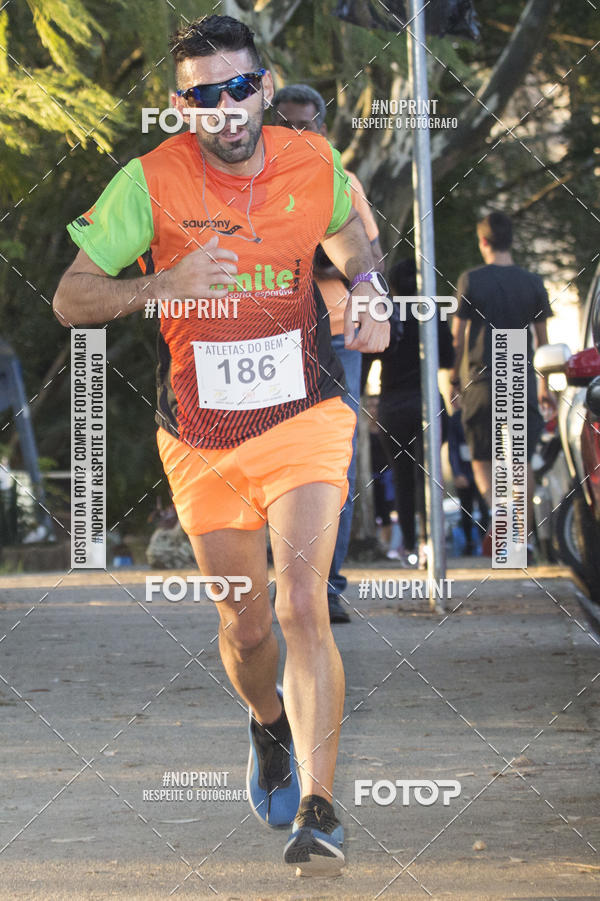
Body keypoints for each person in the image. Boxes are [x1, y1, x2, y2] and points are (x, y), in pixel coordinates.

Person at [52, 15, 390, 876]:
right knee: (244, 626)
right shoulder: (148, 181)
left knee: (301, 605)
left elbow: (354, 236)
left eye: (240, 88)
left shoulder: (315, 164)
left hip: (303, 417)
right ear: (180, 106)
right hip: (201, 439)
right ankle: (268, 728)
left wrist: (371, 287)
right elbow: (71, 297)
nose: (226, 108)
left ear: (265, 87)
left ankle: (320, 806)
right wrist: (165, 282)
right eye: (205, 96)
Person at [271, 84, 383, 623]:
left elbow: (372, 256)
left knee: (330, 463)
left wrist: (338, 270)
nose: (297, 136)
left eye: (307, 126)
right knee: (270, 460)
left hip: (336, 337)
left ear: (322, 129)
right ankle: (286, 581)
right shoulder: (251, 180)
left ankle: (328, 587)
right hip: (269, 337)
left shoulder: (342, 181)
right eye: (286, 125)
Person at [451, 212, 553, 553]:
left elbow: (458, 338)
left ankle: (498, 514)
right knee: (520, 457)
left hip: (480, 379)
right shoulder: (533, 283)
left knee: (482, 453)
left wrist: (454, 378)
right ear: (512, 240)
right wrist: (545, 384)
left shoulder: (471, 280)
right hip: (520, 375)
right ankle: (521, 535)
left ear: (483, 242)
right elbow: (543, 341)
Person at [362, 258, 454, 565]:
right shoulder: (432, 312)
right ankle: (431, 542)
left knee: (401, 476)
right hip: (427, 400)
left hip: (393, 403)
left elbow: (371, 355)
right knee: (429, 475)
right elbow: (447, 357)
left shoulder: (386, 313)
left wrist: (361, 392)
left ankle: (411, 546)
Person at [447, 391, 489, 555]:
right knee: (466, 510)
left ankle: (485, 540)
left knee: (484, 508)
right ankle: (469, 543)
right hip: (464, 471)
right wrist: (457, 473)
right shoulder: (455, 420)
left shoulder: (480, 417)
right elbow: (453, 448)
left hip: (481, 471)